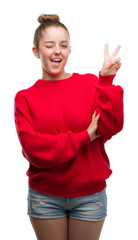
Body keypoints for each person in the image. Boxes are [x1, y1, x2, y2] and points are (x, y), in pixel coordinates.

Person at [14, 14, 124, 240]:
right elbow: (35, 150)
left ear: (69, 50)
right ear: (36, 51)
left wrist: (106, 80)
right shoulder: (25, 98)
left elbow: (110, 127)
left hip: (90, 196)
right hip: (45, 197)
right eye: (49, 45)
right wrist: (84, 136)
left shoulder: (89, 84)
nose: (57, 51)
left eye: (63, 45)